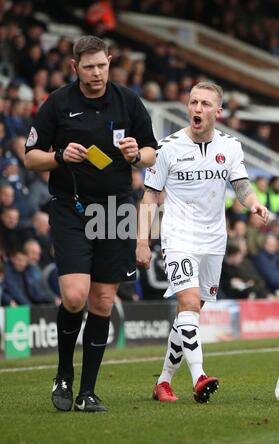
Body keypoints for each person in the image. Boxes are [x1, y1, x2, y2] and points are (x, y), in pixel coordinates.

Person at [25, 35, 157, 412]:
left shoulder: (128, 101)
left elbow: (151, 152)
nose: (97, 73)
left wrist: (137, 153)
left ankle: (87, 392)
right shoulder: (58, 103)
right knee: (75, 296)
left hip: (116, 208)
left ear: (110, 61)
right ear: (74, 68)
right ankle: (63, 373)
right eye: (89, 67)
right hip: (71, 208)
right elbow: (31, 157)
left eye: (102, 65)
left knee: (101, 301)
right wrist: (59, 156)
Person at [136, 81, 269, 403]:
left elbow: (241, 187)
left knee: (190, 314)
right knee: (190, 303)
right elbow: (151, 196)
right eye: (193, 102)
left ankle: (163, 382)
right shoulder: (166, 147)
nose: (197, 108)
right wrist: (142, 241)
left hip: (214, 240)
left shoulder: (232, 147)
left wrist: (253, 204)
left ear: (218, 111)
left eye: (205, 104)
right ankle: (199, 377)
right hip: (178, 235)